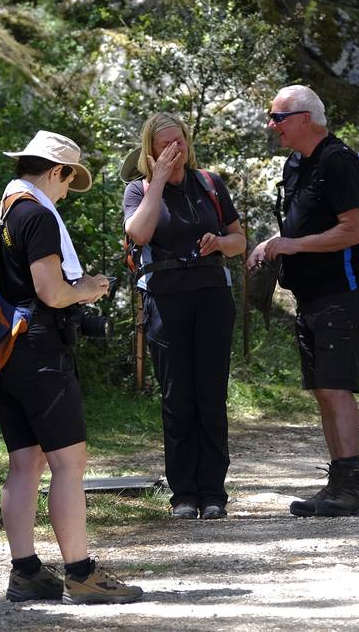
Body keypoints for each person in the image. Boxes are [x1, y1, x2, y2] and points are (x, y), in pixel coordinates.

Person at [0, 131, 143, 604]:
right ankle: (81, 572)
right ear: (56, 171)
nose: (65, 194)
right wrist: (90, 287)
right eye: (67, 183)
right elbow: (52, 292)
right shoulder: (36, 215)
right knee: (68, 463)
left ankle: (27, 572)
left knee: (24, 463)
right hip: (38, 351)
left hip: (1, 351)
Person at [248, 84, 359, 518]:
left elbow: (355, 230)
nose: (272, 125)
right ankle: (338, 484)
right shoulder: (296, 164)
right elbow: (299, 228)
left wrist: (293, 247)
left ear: (305, 118)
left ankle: (350, 490)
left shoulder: (339, 162)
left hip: (344, 294)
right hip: (312, 296)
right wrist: (272, 244)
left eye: (278, 116)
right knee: (324, 389)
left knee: (336, 389)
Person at [123, 113, 246, 520]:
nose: (174, 151)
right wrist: (157, 180)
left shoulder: (209, 183)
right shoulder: (138, 190)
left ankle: (213, 493)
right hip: (166, 299)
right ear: (151, 150)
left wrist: (220, 242)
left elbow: (240, 241)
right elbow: (138, 234)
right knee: (177, 396)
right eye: (165, 145)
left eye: (179, 142)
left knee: (211, 395)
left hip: (212, 296)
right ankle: (184, 494)